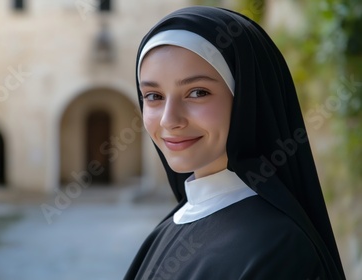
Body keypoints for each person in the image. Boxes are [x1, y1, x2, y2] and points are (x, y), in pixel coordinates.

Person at [125, 6, 345, 279]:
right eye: (153, 96)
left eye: (197, 92)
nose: (170, 120)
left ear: (247, 101)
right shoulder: (173, 224)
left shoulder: (278, 248)